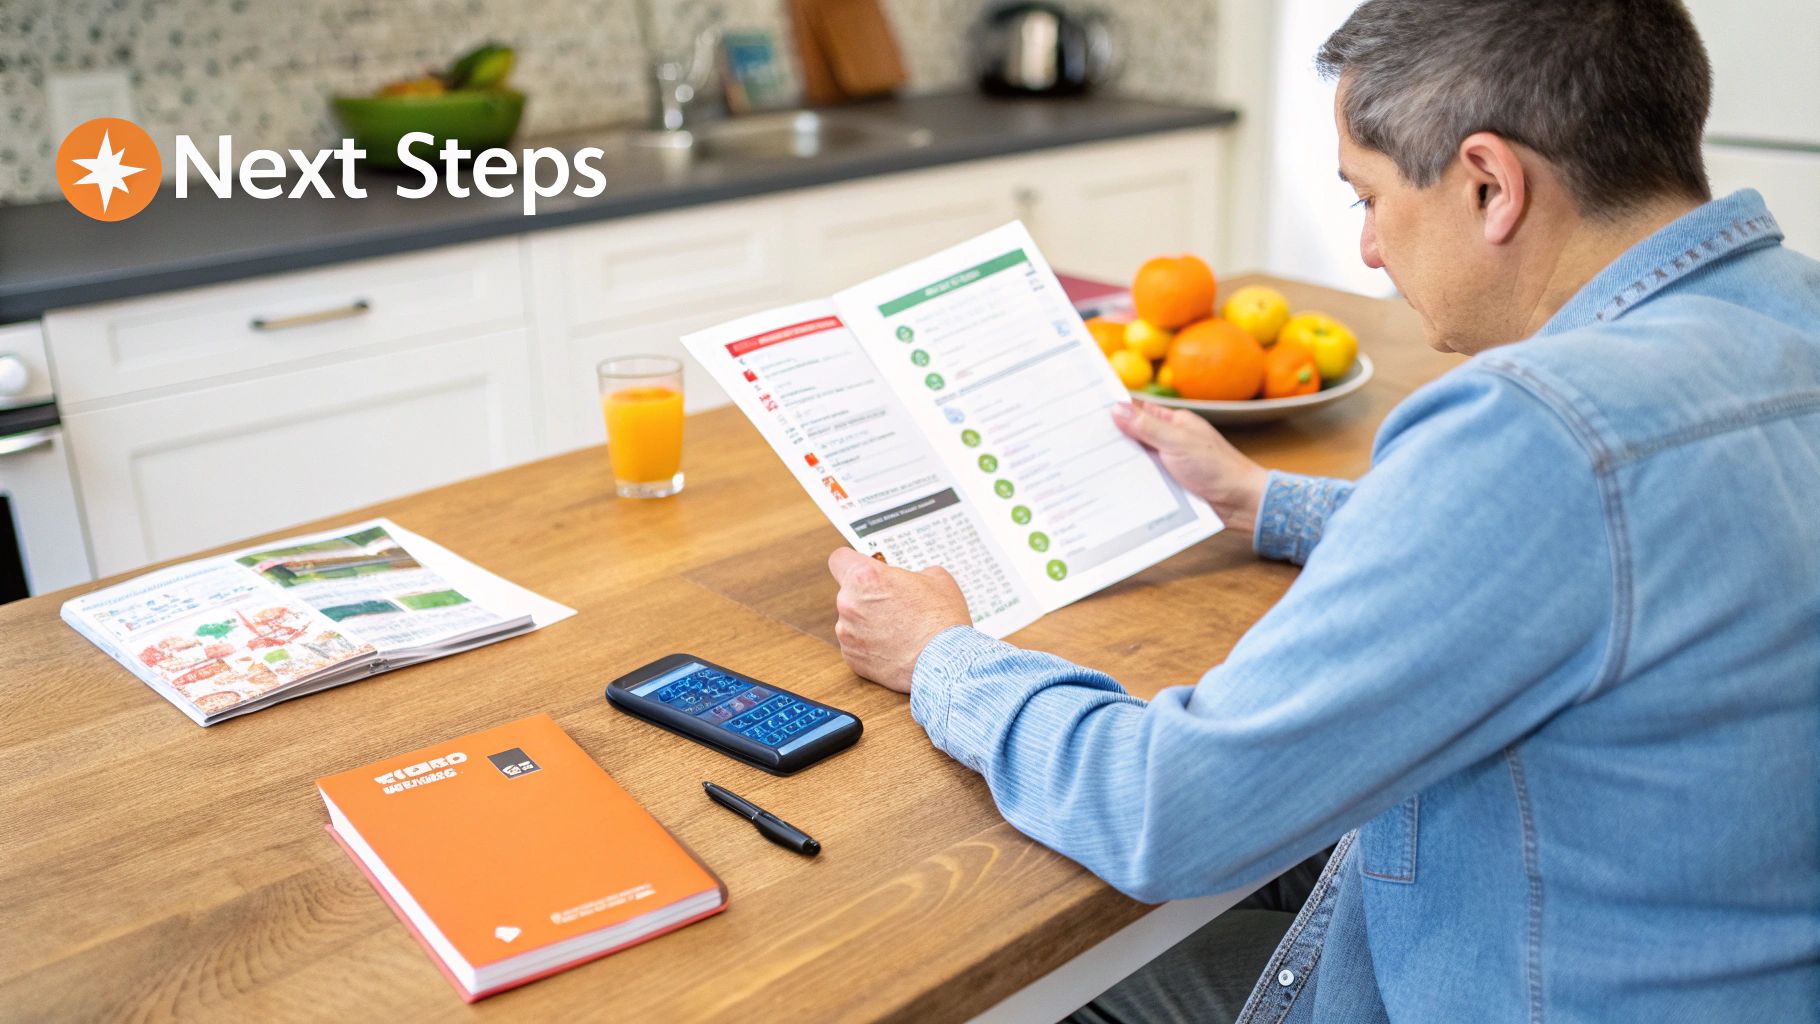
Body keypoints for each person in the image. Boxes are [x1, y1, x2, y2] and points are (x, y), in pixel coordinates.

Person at [824, 0, 1820, 1019]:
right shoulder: (1787, 311)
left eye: (1368, 197)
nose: (1369, 253)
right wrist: (1262, 500)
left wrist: (940, 653)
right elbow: (1598, 557)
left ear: (1489, 183)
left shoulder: (1536, 432)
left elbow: (1168, 812)